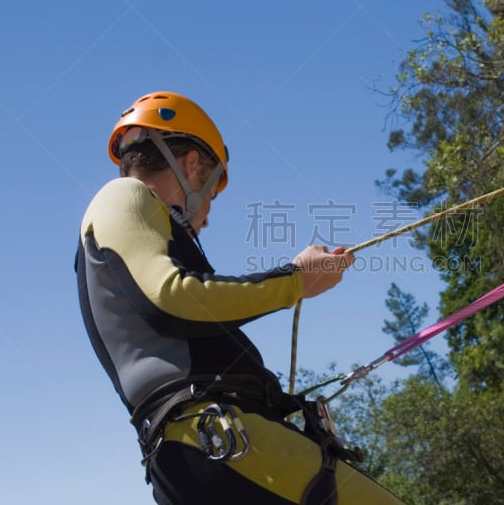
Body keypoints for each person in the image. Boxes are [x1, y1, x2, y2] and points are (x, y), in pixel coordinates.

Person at [75, 91, 404, 504]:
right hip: (219, 440)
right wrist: (296, 280)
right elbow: (171, 298)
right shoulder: (124, 195)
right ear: (193, 166)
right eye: (211, 194)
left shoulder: (134, 233)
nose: (208, 216)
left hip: (201, 452)